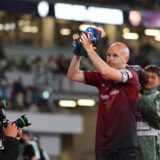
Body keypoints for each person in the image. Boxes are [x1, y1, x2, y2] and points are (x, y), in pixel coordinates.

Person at [67, 33, 140, 160]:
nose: (110, 58)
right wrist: (78, 53)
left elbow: (106, 72)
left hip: (124, 145)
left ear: (126, 59)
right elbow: (72, 74)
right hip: (102, 146)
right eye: (108, 55)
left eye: (115, 55)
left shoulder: (131, 74)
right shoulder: (101, 78)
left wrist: (89, 49)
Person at [137, 64, 160, 160]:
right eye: (146, 77)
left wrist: (140, 98)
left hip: (151, 142)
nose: (149, 80)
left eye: (153, 77)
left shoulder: (158, 96)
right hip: (131, 141)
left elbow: (158, 120)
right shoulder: (133, 96)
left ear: (159, 80)